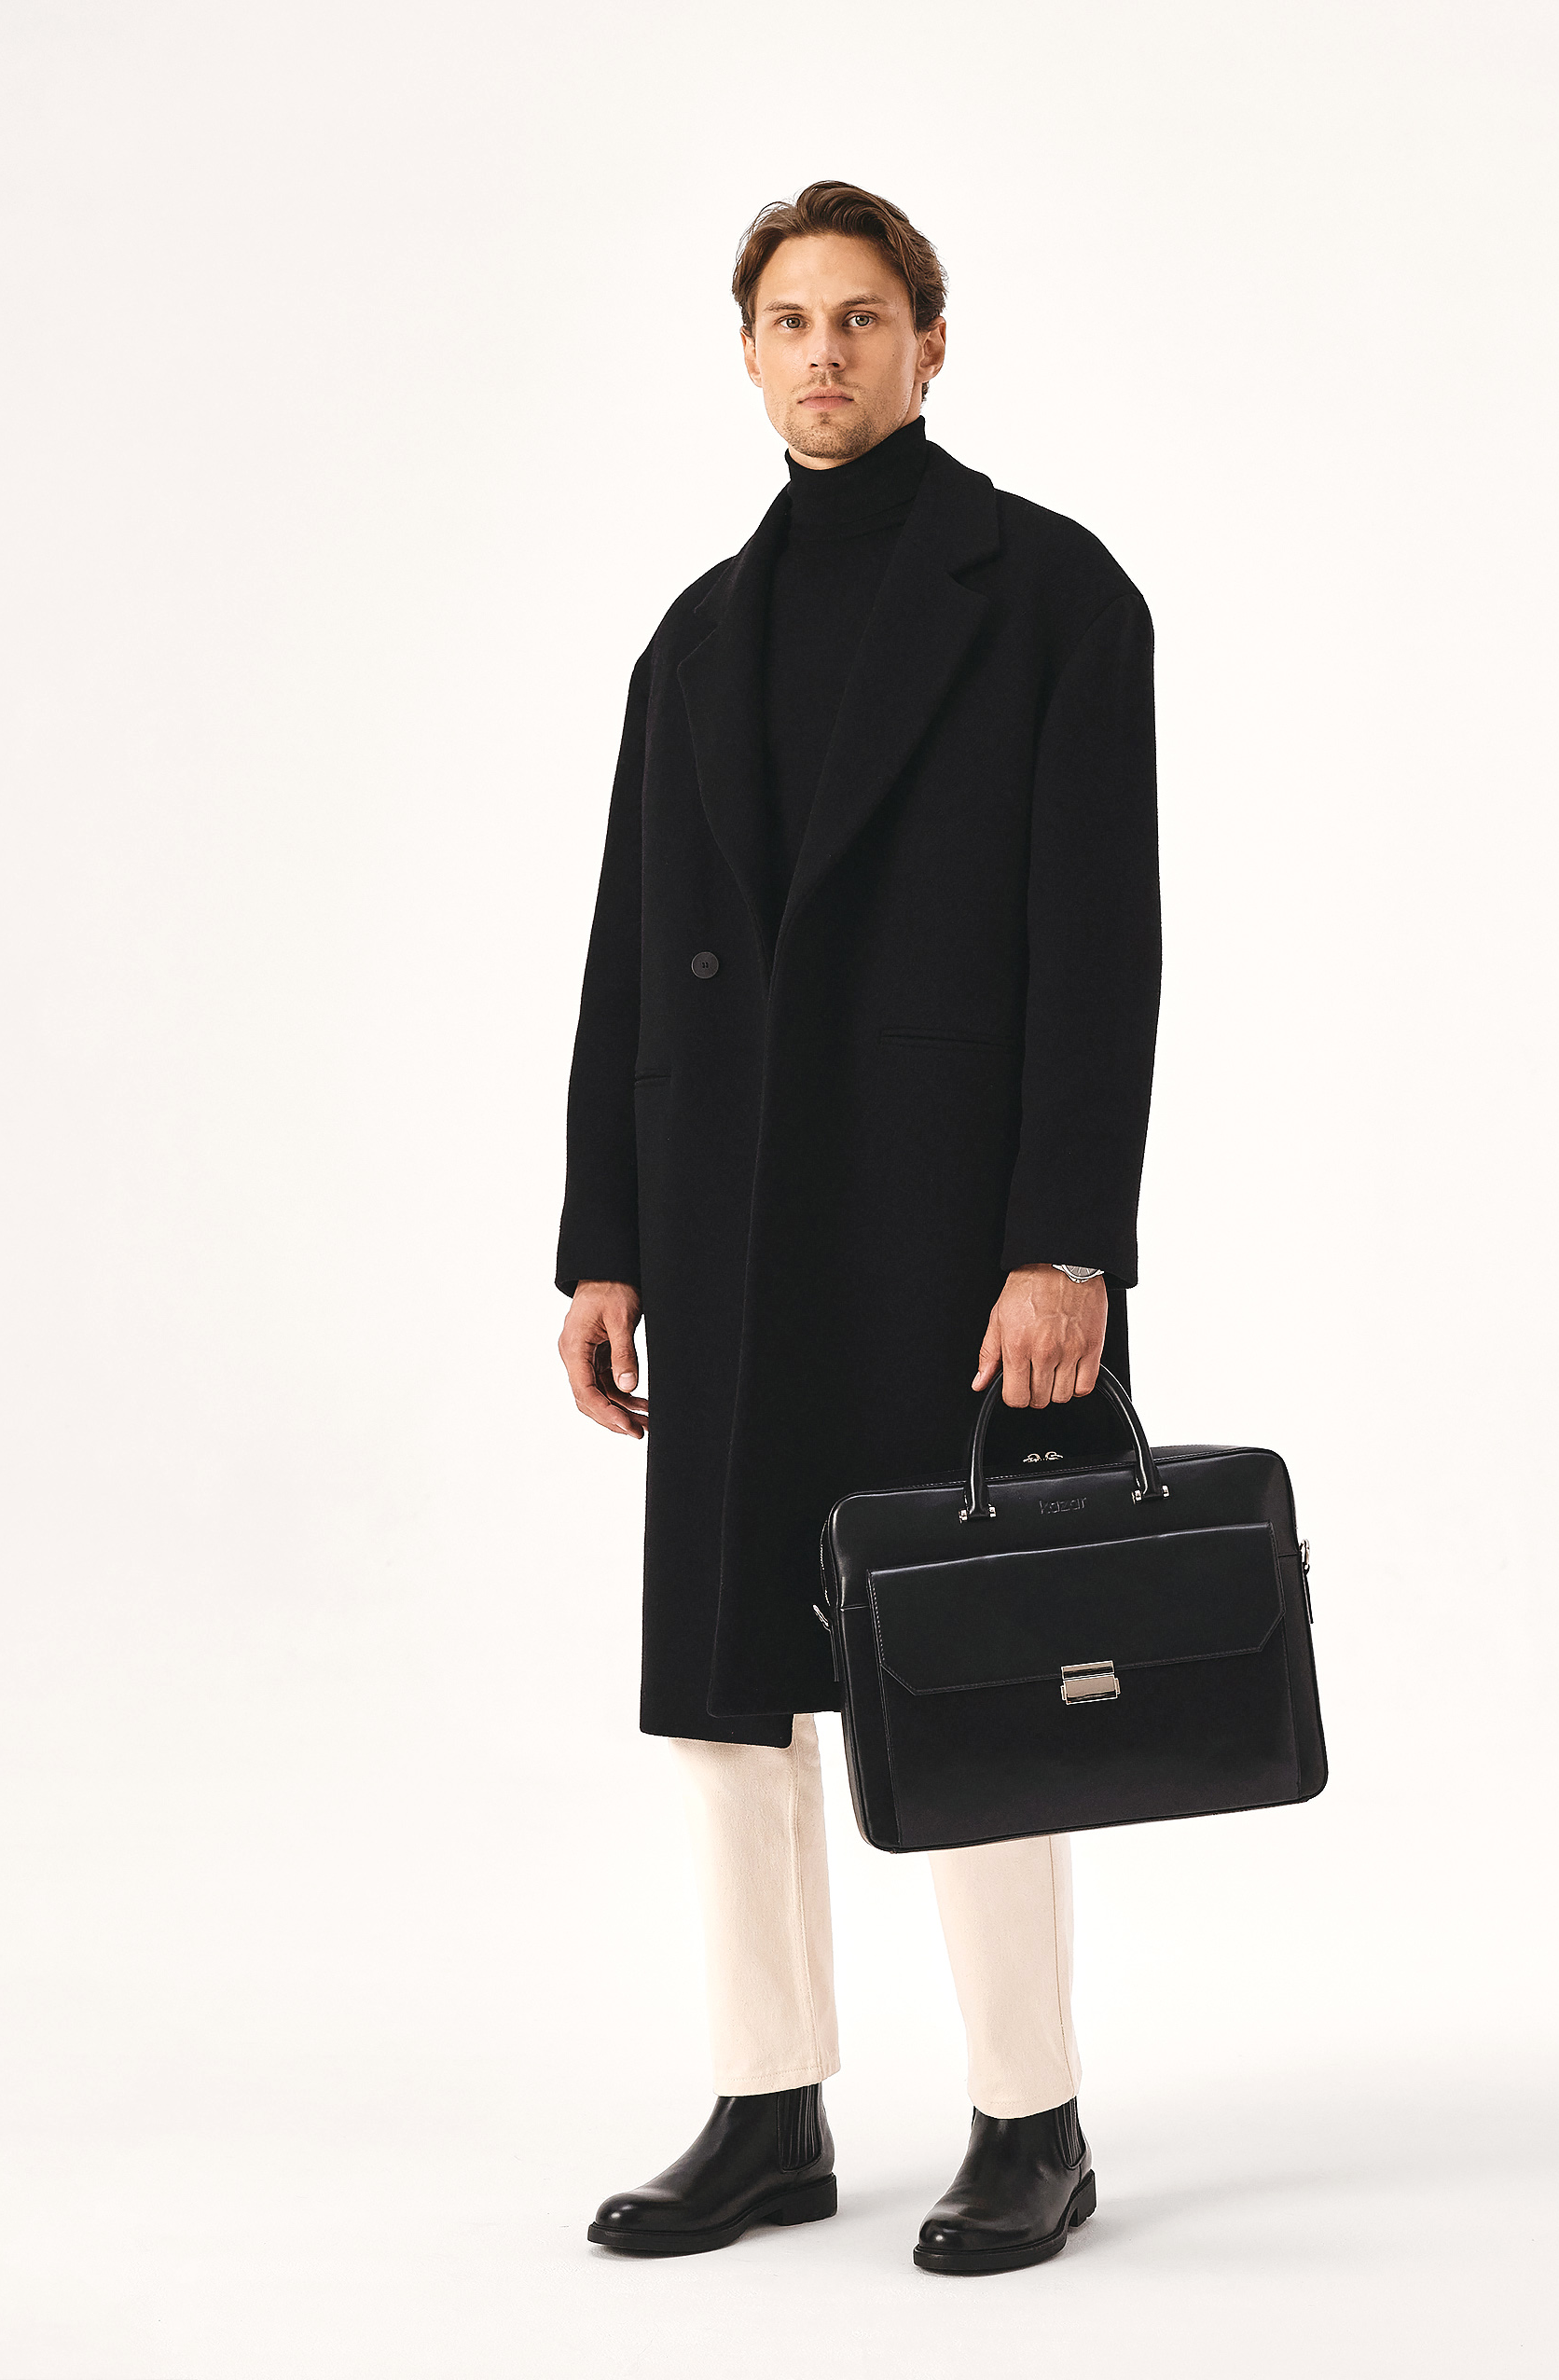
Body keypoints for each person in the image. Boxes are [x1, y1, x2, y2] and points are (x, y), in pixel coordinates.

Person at [556, 180, 1160, 2275]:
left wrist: (1068, 1242)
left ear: (929, 345)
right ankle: (767, 2105)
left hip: (947, 1229)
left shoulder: (1052, 593)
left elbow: (1103, 945)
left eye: (864, 317)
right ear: (746, 355)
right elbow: (627, 953)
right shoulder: (694, 639)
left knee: (970, 1664)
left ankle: (1031, 2116)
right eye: (791, 321)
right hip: (728, 1225)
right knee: (729, 1687)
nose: (825, 352)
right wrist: (604, 1241)